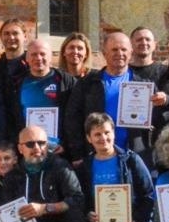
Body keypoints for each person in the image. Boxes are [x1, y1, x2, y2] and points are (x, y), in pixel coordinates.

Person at [62, 30, 158, 165]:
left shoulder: (145, 85)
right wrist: (77, 154)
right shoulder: (87, 84)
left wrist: (165, 101)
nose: (119, 54)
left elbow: (160, 118)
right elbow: (72, 120)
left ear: (131, 52)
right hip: (95, 157)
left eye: (124, 49)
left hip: (134, 158)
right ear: (104, 53)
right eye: (114, 49)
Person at [7, 38, 75, 145]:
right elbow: (11, 119)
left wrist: (66, 145)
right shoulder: (16, 84)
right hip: (28, 148)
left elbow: (74, 117)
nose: (38, 58)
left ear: (50, 57)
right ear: (27, 58)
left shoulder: (66, 81)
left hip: (58, 148)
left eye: (43, 54)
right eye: (34, 54)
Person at [0, 17, 30, 97]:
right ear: (1, 37)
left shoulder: (32, 66)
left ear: (25, 36)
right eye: (6, 34)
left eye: (15, 33)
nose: (11, 37)